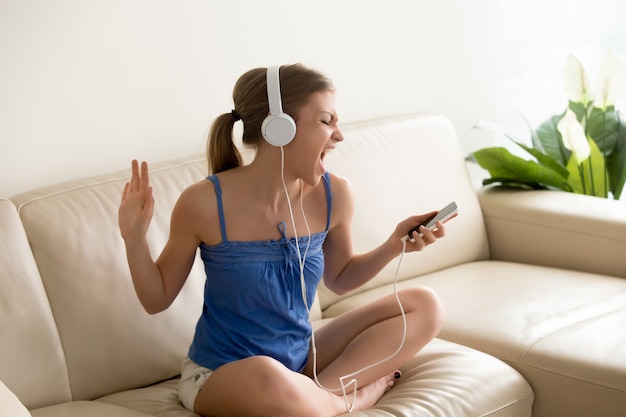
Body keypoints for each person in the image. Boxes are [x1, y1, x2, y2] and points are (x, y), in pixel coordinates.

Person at [118, 63, 446, 417]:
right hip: (225, 374)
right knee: (267, 373)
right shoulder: (204, 203)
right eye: (326, 121)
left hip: (301, 359)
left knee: (424, 304)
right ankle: (349, 399)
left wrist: (395, 244)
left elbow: (340, 278)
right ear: (279, 127)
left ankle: (317, 393)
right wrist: (134, 238)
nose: (339, 136)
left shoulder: (334, 194)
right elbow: (156, 299)